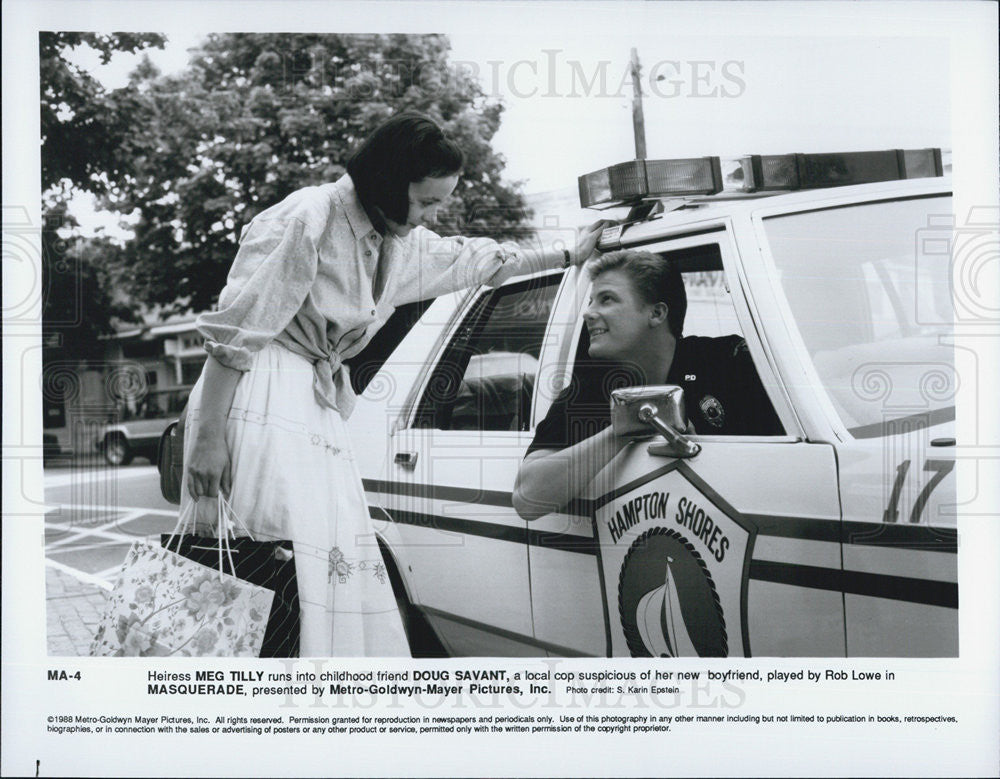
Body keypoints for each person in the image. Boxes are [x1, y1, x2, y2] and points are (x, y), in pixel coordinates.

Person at [183, 111, 604, 656]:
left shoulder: (398, 243)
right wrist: (209, 436)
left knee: (323, 565)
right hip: (259, 394)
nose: (433, 213)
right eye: (427, 201)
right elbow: (236, 333)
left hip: (313, 401)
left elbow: (474, 259)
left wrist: (569, 253)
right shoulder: (307, 216)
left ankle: (315, 708)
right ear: (387, 181)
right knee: (265, 555)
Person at [512, 249, 782, 521]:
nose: (589, 313)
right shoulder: (589, 390)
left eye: (607, 299)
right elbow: (526, 498)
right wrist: (623, 430)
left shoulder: (728, 364)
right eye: (591, 301)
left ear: (657, 313)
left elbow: (792, 464)